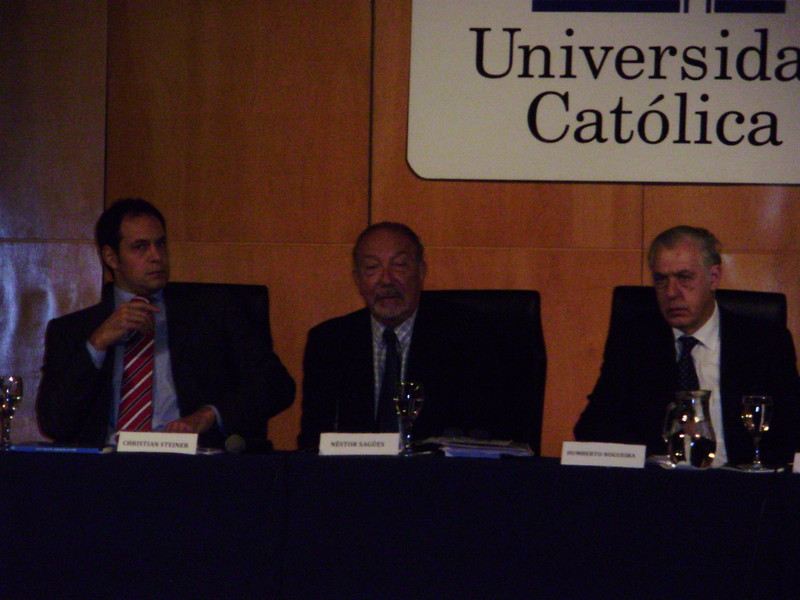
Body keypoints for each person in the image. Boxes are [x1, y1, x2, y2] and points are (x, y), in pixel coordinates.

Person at [36, 198, 295, 448]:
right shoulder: (73, 331)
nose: (156, 256)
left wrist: (209, 415)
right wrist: (97, 344)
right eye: (140, 247)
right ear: (111, 257)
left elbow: (277, 385)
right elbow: (55, 423)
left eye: (160, 244)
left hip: (189, 462)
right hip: (106, 465)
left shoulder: (214, 312)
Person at [574, 225, 800, 466]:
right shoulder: (634, 342)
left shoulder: (764, 342)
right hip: (659, 482)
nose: (671, 292)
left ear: (713, 277)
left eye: (684, 278)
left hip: (739, 481)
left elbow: (792, 429)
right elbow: (592, 428)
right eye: (661, 280)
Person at [298, 222, 533, 450]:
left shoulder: (471, 338)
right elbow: (312, 441)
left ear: (421, 272)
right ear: (357, 279)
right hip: (354, 473)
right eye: (372, 268)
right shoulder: (329, 343)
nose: (386, 280)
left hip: (438, 473)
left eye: (400, 266)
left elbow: (490, 432)